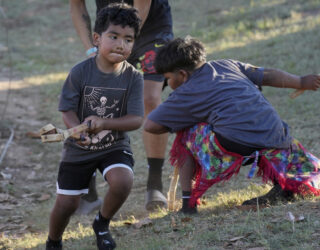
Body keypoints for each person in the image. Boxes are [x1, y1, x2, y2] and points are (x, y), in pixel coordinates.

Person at [144, 37, 320, 214]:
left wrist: (190, 120)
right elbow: (267, 75)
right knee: (255, 124)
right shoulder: (227, 65)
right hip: (277, 137)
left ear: (182, 74)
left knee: (185, 133)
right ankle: (284, 185)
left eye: (168, 79)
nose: (168, 85)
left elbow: (150, 125)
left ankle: (188, 204)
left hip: (237, 143)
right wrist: (300, 82)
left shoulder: (184, 92)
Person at [46, 4, 143, 249]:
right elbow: (66, 109)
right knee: (67, 204)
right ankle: (54, 241)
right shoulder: (80, 72)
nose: (121, 44)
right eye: (114, 37)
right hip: (79, 148)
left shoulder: (133, 77)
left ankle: (101, 224)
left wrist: (105, 123)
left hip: (113, 145)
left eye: (128, 39)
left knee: (122, 181)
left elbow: (135, 119)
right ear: (97, 39)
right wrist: (77, 130)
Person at [70, 0, 174, 212]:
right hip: (109, 28)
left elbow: (142, 5)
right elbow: (77, 5)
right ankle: (87, 190)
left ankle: (154, 183)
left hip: (152, 28)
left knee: (149, 98)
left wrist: (124, 44)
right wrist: (92, 49)